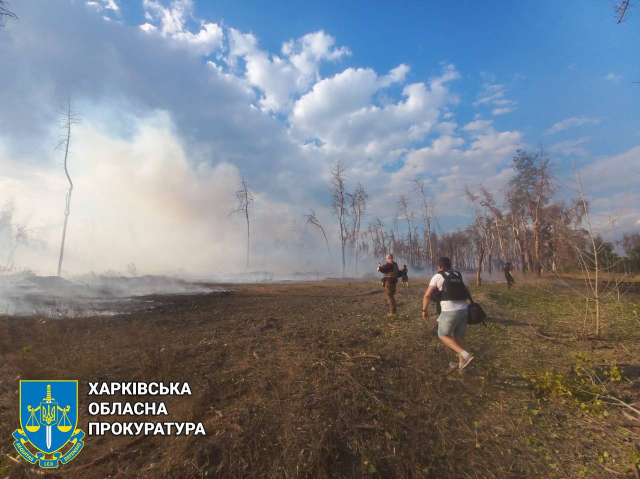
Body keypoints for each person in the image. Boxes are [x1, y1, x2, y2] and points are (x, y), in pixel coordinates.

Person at [422, 257, 474, 370]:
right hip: (464, 310)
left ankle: (466, 355)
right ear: (450, 265)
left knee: (443, 335)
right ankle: (462, 364)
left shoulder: (438, 276)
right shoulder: (459, 275)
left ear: (440, 266)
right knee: (459, 337)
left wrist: (424, 310)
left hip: (449, 311)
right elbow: (468, 292)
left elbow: (427, 295)